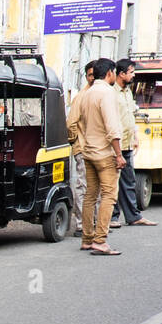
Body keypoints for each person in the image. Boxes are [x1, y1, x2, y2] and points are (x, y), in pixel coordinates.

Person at [66, 57, 125, 256]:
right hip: (104, 153)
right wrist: (119, 154)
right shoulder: (107, 93)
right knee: (109, 195)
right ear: (109, 73)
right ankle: (100, 240)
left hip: (88, 152)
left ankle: (87, 239)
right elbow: (112, 127)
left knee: (90, 195)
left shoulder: (87, 93)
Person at [111, 58, 157, 228]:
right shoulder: (111, 93)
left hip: (128, 143)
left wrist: (135, 136)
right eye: (131, 72)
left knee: (128, 181)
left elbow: (130, 116)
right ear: (121, 74)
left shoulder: (127, 92)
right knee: (113, 183)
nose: (133, 75)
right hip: (116, 145)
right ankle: (113, 217)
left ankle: (133, 216)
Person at [66, 60, 97, 236]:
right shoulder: (82, 96)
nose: (92, 78)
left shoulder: (101, 94)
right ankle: (80, 225)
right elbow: (71, 122)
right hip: (84, 149)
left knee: (97, 189)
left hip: (99, 149)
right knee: (83, 187)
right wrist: (75, 142)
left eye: (95, 75)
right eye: (90, 75)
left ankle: (95, 223)